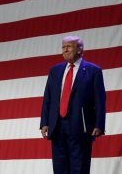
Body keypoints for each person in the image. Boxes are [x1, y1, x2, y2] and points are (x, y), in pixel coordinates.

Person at [40, 36, 106, 174]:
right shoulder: (55, 70)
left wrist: (99, 124)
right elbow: (48, 98)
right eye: (63, 47)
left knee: (79, 167)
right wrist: (45, 122)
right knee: (60, 168)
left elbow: (99, 100)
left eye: (69, 46)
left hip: (80, 126)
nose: (65, 50)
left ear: (80, 49)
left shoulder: (93, 70)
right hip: (57, 125)